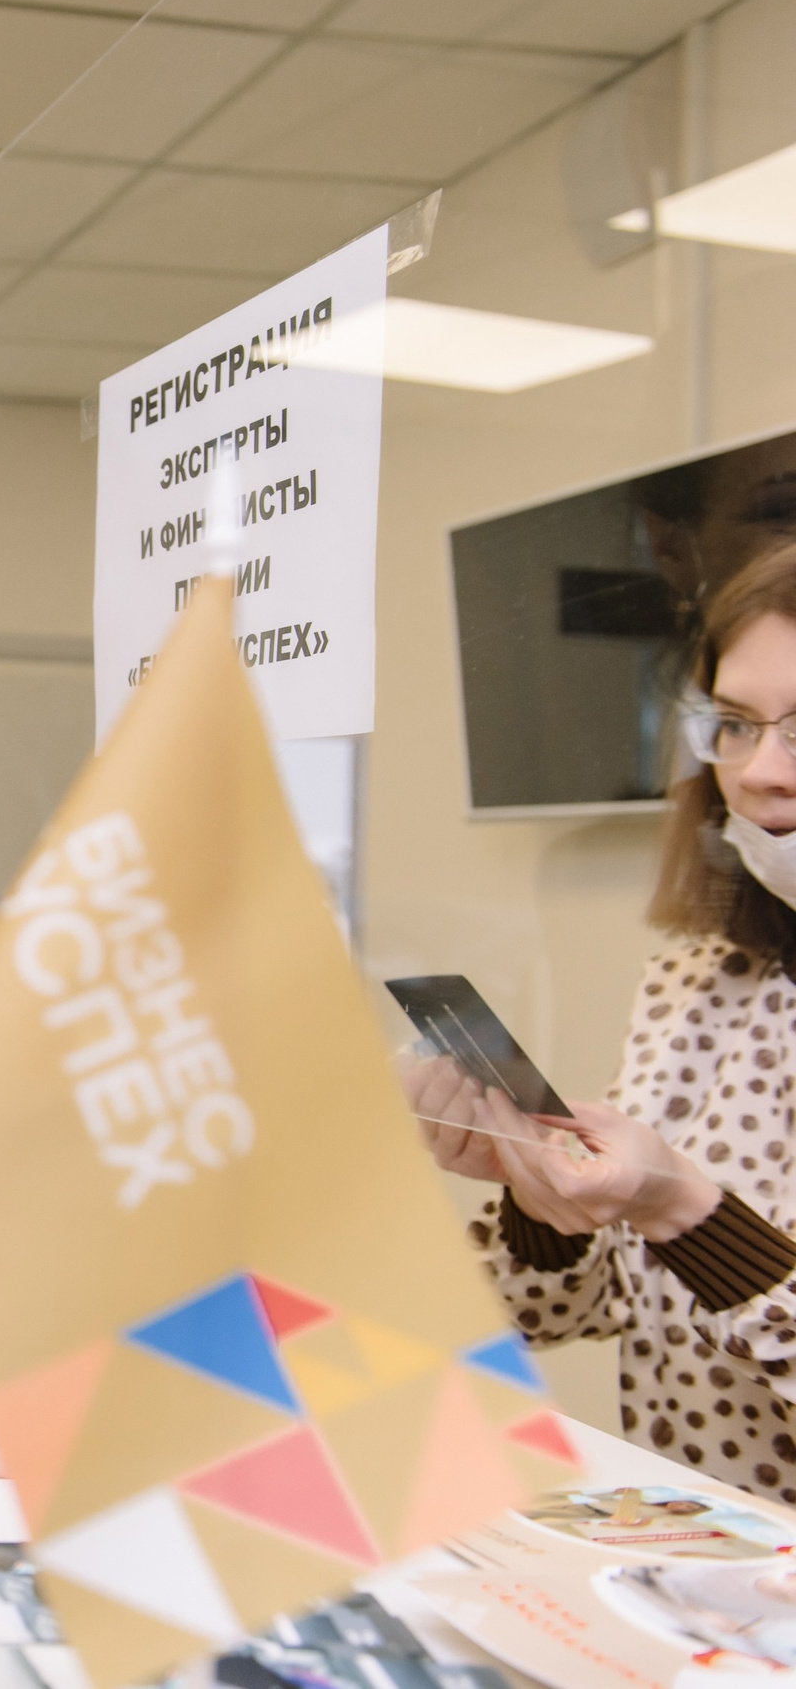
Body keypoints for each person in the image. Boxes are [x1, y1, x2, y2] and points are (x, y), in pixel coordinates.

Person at [408, 540, 796, 1503]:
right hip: (698, 1557)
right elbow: (579, 1305)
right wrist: (545, 1196)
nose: (760, 771)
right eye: (736, 726)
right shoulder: (699, 982)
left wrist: (680, 1208)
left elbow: (686, 1233)